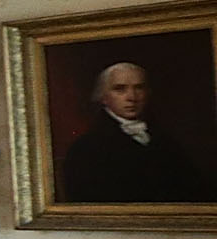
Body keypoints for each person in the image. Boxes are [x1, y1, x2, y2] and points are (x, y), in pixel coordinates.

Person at [59, 62, 210, 203]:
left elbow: (196, 190)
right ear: (103, 97)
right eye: (120, 89)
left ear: (148, 93)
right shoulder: (86, 148)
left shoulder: (166, 140)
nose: (132, 97)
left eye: (139, 88)